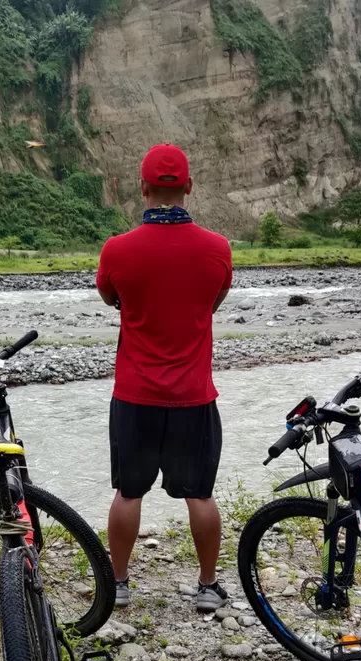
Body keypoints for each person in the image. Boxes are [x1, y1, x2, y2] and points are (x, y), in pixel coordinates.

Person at [95, 143, 233, 613]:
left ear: (144, 189)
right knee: (200, 493)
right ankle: (208, 586)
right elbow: (214, 300)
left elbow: (112, 298)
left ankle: (118, 584)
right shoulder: (217, 249)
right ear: (189, 188)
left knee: (128, 491)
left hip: (135, 394)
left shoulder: (117, 250)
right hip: (194, 396)